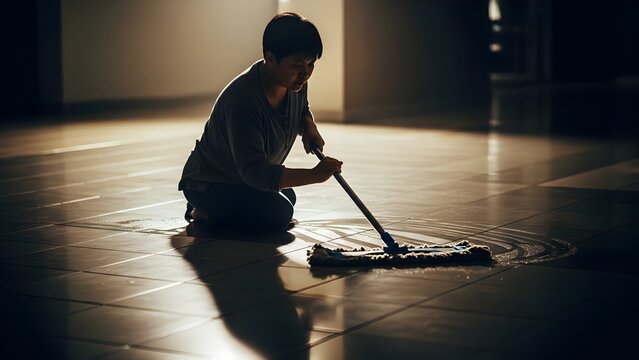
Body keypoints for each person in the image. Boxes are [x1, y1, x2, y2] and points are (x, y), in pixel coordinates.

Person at [178, 12, 342, 232]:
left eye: (311, 64)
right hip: (212, 182)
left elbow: (303, 109)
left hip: (242, 179)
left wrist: (308, 126)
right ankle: (202, 209)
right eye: (296, 65)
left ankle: (218, 208)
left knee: (287, 196)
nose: (305, 74)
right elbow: (255, 172)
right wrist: (314, 175)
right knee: (279, 212)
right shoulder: (243, 101)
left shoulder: (294, 82)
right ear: (270, 58)